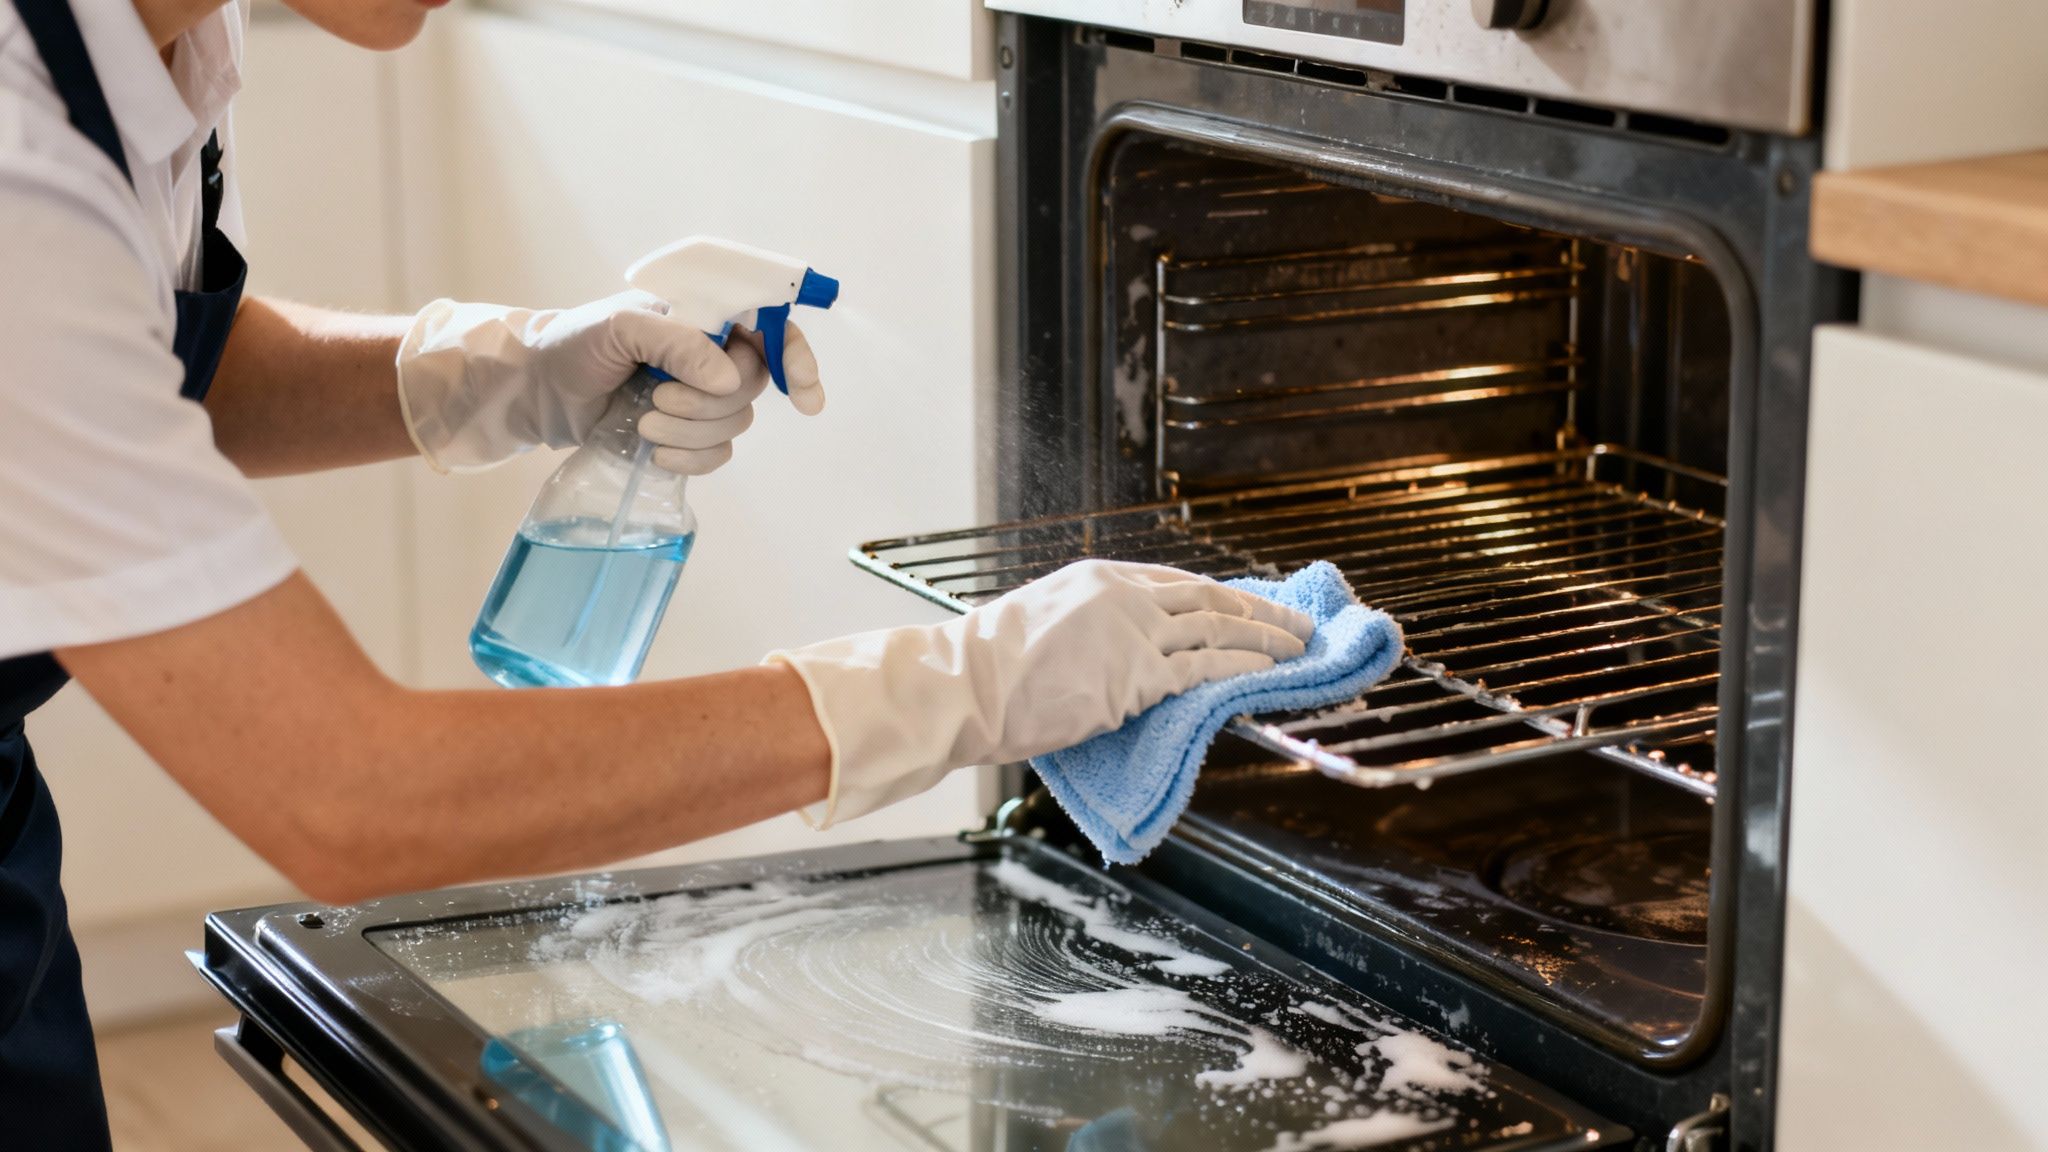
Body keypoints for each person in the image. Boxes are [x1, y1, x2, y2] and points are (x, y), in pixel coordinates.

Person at [0, 0, 1315, 1144]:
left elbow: (146, 361)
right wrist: (948, 688)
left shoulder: (154, 39)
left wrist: (500, 371)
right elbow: (351, 798)